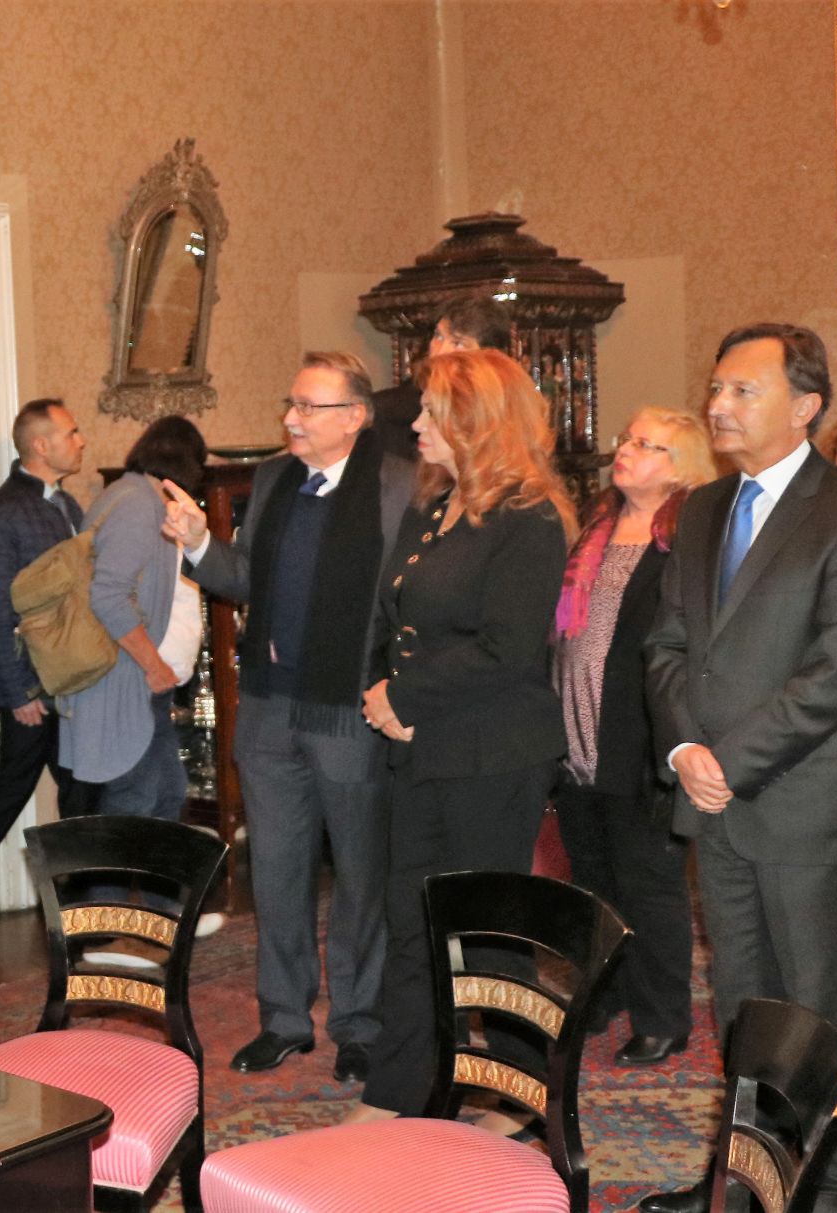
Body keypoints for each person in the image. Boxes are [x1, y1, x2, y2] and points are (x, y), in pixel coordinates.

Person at [638, 323, 837, 1213]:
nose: (719, 404)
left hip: (808, 802)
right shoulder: (703, 508)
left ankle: (831, 1180)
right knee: (743, 1003)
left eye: (742, 390)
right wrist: (685, 749)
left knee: (819, 1004)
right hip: (715, 799)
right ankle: (749, 1173)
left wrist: (728, 760)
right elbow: (668, 645)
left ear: (806, 406)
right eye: (716, 387)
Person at [161, 351, 414, 1085]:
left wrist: (400, 686)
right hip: (271, 707)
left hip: (351, 708)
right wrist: (198, 542)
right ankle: (283, 1019)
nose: (291, 419)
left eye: (308, 407)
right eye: (291, 403)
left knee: (361, 875)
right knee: (275, 870)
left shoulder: (400, 486)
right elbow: (245, 579)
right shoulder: (273, 479)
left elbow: (411, 598)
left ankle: (359, 1024)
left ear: (355, 416)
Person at [350, 348, 575, 1122]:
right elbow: (397, 617)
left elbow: (506, 648)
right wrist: (382, 690)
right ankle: (399, 1093)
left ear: (477, 421)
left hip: (494, 754)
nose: (416, 422)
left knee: (488, 930)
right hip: (422, 745)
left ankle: (523, 1089)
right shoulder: (434, 503)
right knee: (411, 918)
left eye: (432, 411)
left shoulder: (530, 518)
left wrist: (402, 694)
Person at [550, 406, 715, 1069]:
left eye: (648, 445)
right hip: (576, 737)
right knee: (592, 878)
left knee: (649, 884)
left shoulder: (688, 538)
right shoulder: (594, 526)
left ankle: (662, 1016)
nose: (626, 449)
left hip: (644, 741)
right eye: (628, 438)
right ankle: (607, 992)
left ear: (681, 467)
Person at [57, 416, 210, 827]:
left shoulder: (130, 495)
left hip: (136, 683)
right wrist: (153, 664)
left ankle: (158, 876)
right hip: (126, 680)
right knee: (136, 805)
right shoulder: (138, 505)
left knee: (166, 794)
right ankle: (116, 876)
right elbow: (108, 596)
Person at [0, 400, 99, 863]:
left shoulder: (66, 504)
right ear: (41, 446)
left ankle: (76, 895)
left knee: (82, 789)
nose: (81, 441)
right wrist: (17, 692)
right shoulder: (1, 514)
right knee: (12, 787)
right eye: (71, 432)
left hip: (72, 678)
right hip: (32, 686)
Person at [369, 297, 513, 458]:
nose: (441, 351)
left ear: (488, 357)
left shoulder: (507, 407)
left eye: (458, 343)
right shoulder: (387, 411)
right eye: (438, 336)